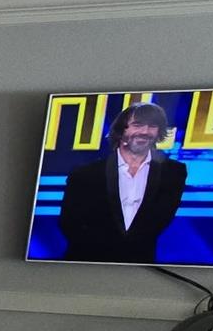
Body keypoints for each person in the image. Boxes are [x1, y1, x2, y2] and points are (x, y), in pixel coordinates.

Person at [58, 102, 187, 263]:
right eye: (137, 125)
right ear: (121, 130)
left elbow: (160, 219)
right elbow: (69, 223)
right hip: (86, 263)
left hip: (140, 266)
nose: (145, 132)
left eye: (152, 126)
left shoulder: (173, 172)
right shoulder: (85, 173)